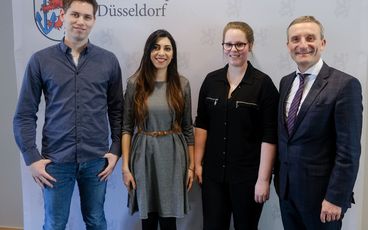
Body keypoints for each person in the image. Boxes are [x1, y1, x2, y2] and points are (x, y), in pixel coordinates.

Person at [13, 0, 123, 229]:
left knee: (96, 220)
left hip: (96, 160)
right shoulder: (40, 60)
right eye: (75, 15)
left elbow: (117, 110)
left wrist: (115, 150)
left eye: (87, 17)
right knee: (54, 224)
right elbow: (24, 114)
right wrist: (32, 157)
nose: (80, 22)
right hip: (55, 160)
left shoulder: (108, 61)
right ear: (63, 15)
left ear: (93, 21)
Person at [276, 16, 363, 230]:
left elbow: (348, 150)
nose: (303, 44)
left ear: (322, 43)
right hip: (287, 193)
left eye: (310, 38)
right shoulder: (286, 82)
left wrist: (336, 197)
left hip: (323, 199)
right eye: (295, 39)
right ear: (288, 45)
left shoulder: (345, 85)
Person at [194, 21, 279, 230]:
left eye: (240, 44)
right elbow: (202, 124)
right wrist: (196, 164)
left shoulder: (263, 84)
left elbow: (270, 135)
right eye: (228, 44)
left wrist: (263, 179)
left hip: (248, 178)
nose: (234, 50)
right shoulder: (211, 80)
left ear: (250, 45)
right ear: (222, 46)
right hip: (213, 176)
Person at [121, 29, 194, 230]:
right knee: (148, 218)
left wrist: (191, 167)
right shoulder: (135, 83)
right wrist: (125, 167)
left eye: (167, 48)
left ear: (173, 54)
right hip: (143, 155)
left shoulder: (182, 84)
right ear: (148, 52)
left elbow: (188, 128)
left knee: (169, 220)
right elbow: (126, 128)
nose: (161, 53)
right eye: (156, 47)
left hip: (173, 156)